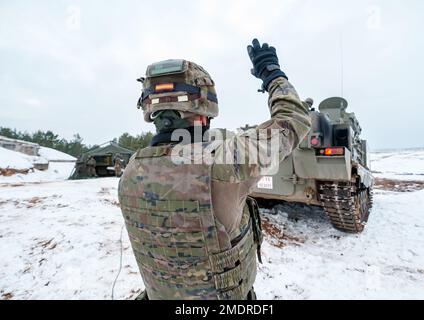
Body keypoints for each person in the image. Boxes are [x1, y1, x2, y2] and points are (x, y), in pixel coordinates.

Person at [118, 39, 311, 300]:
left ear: (150, 107)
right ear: (205, 107)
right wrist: (272, 74)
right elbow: (293, 119)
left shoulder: (131, 170)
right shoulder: (224, 160)